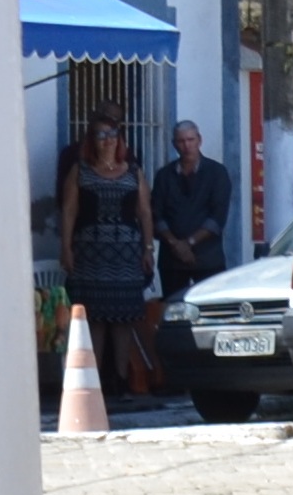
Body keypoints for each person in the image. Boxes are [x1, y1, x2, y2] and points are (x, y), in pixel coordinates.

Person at [56, 116, 161, 397]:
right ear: (92, 140)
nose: (108, 139)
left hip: (126, 255)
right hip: (89, 255)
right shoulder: (80, 171)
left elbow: (145, 212)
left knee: (124, 318)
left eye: (113, 133)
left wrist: (148, 249)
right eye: (101, 134)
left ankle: (122, 378)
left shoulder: (133, 171)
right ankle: (98, 378)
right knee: (95, 318)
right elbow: (69, 211)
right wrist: (65, 248)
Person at [150, 118, 234, 295]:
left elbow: (217, 217)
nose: (186, 146)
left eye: (191, 140)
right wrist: (175, 244)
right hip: (171, 260)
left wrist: (189, 243)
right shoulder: (164, 176)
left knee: (211, 310)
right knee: (173, 311)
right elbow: (156, 215)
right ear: (174, 144)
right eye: (181, 141)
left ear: (199, 140)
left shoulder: (217, 173)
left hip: (208, 258)